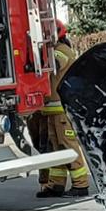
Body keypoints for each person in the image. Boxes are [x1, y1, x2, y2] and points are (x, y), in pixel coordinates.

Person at [32, 32, 88, 198]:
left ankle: (81, 184)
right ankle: (56, 184)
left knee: (68, 146)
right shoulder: (53, 49)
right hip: (50, 111)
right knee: (55, 150)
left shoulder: (61, 50)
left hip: (61, 112)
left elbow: (55, 63)